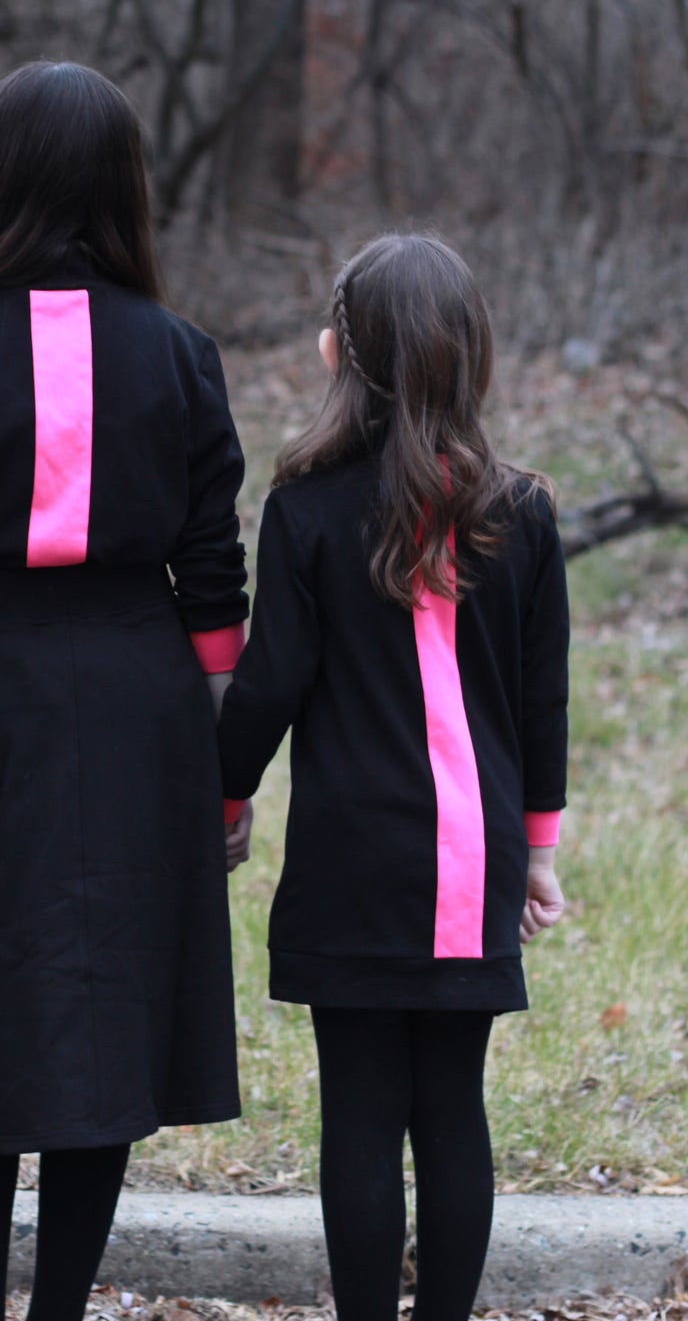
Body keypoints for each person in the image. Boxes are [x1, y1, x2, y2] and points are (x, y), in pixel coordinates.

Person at [0, 61, 250, 1321]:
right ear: (125, 188)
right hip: (143, 702)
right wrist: (227, 777)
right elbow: (213, 581)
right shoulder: (181, 356)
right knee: (108, 1012)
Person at [217, 234, 569, 1321]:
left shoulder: (307, 509)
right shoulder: (524, 511)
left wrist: (223, 801)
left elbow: (270, 683)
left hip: (351, 859)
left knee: (361, 1116)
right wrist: (538, 853)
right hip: (471, 860)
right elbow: (544, 700)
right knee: (453, 1111)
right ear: (473, 353)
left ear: (341, 353)